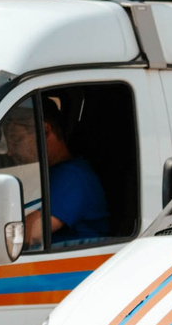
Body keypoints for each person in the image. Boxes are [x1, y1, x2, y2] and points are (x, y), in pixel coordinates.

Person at [11, 96, 110, 248]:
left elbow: (27, 235)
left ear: (44, 131)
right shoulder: (45, 173)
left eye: (17, 140)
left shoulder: (74, 177)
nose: (10, 152)